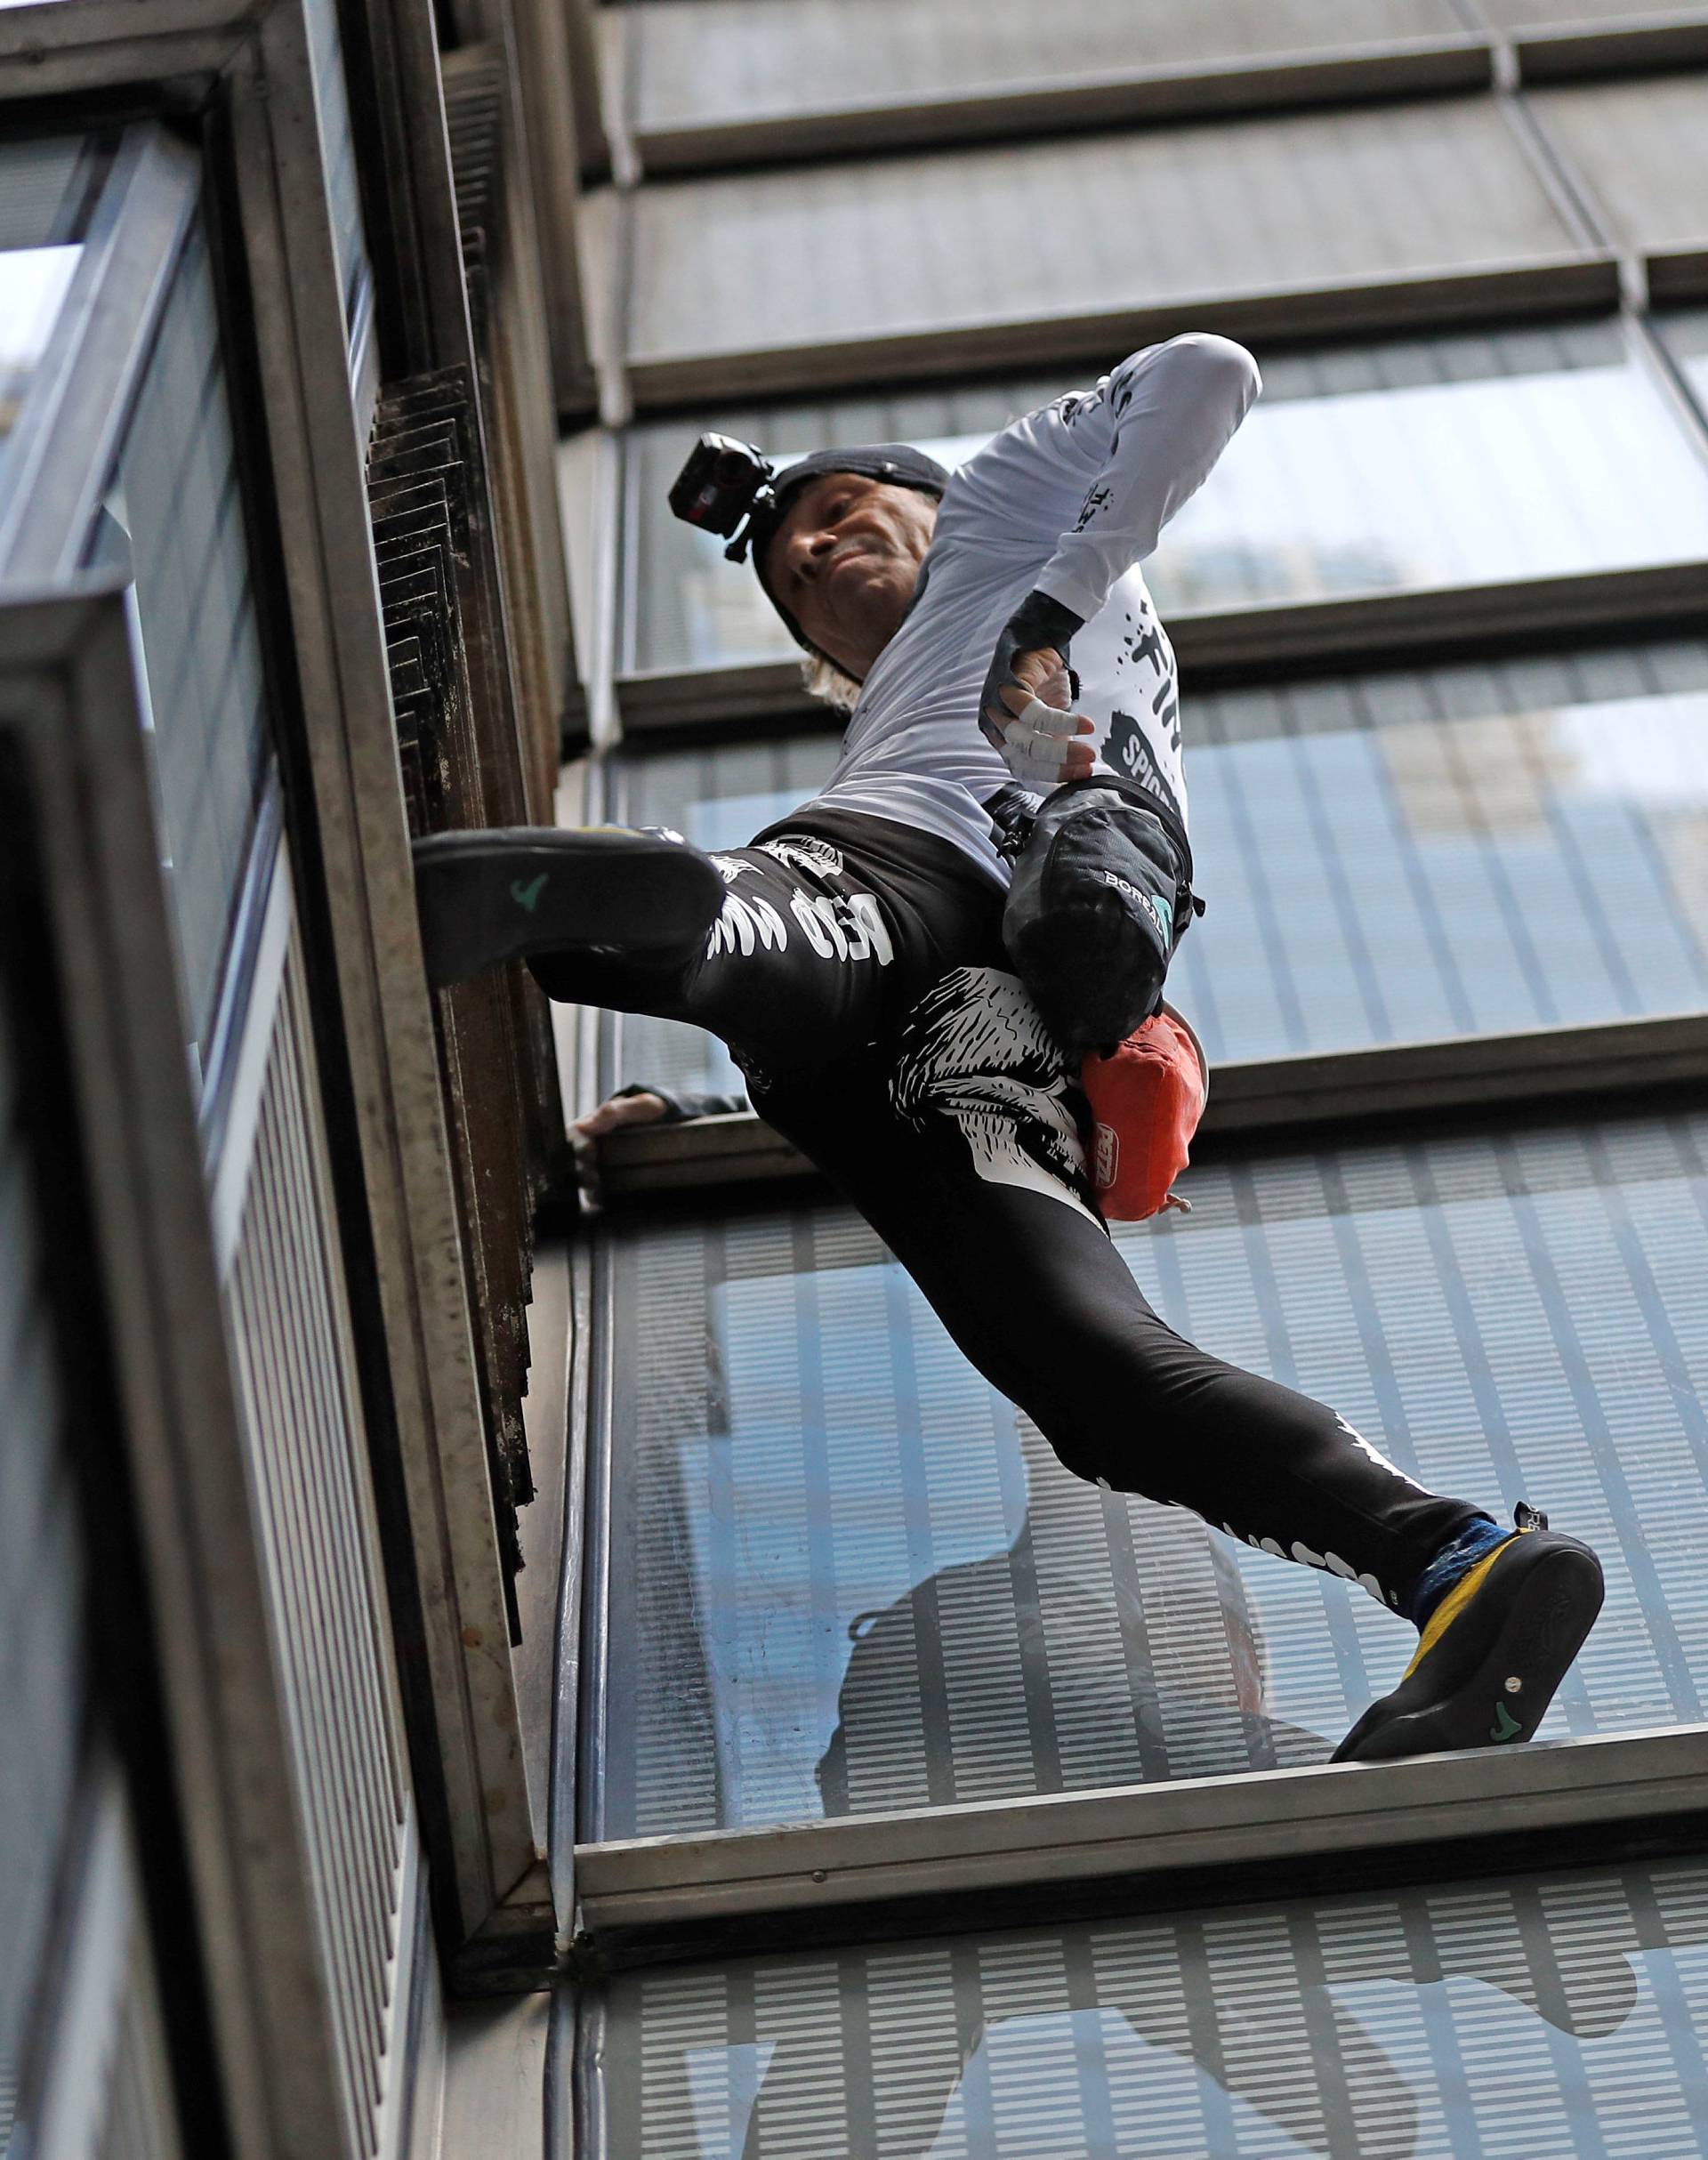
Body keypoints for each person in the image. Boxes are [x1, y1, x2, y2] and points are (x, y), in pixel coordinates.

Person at [414, 334, 1603, 1763]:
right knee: (1093, 1368)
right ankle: (1451, 1556)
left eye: (847, 510)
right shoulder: (918, 696)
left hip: (928, 891)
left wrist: (1050, 593)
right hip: (982, 1011)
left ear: (938, 502)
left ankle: (677, 915)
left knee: (780, 934)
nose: (816, 547)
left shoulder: (1008, 511)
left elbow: (1206, 372)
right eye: (795, 569)